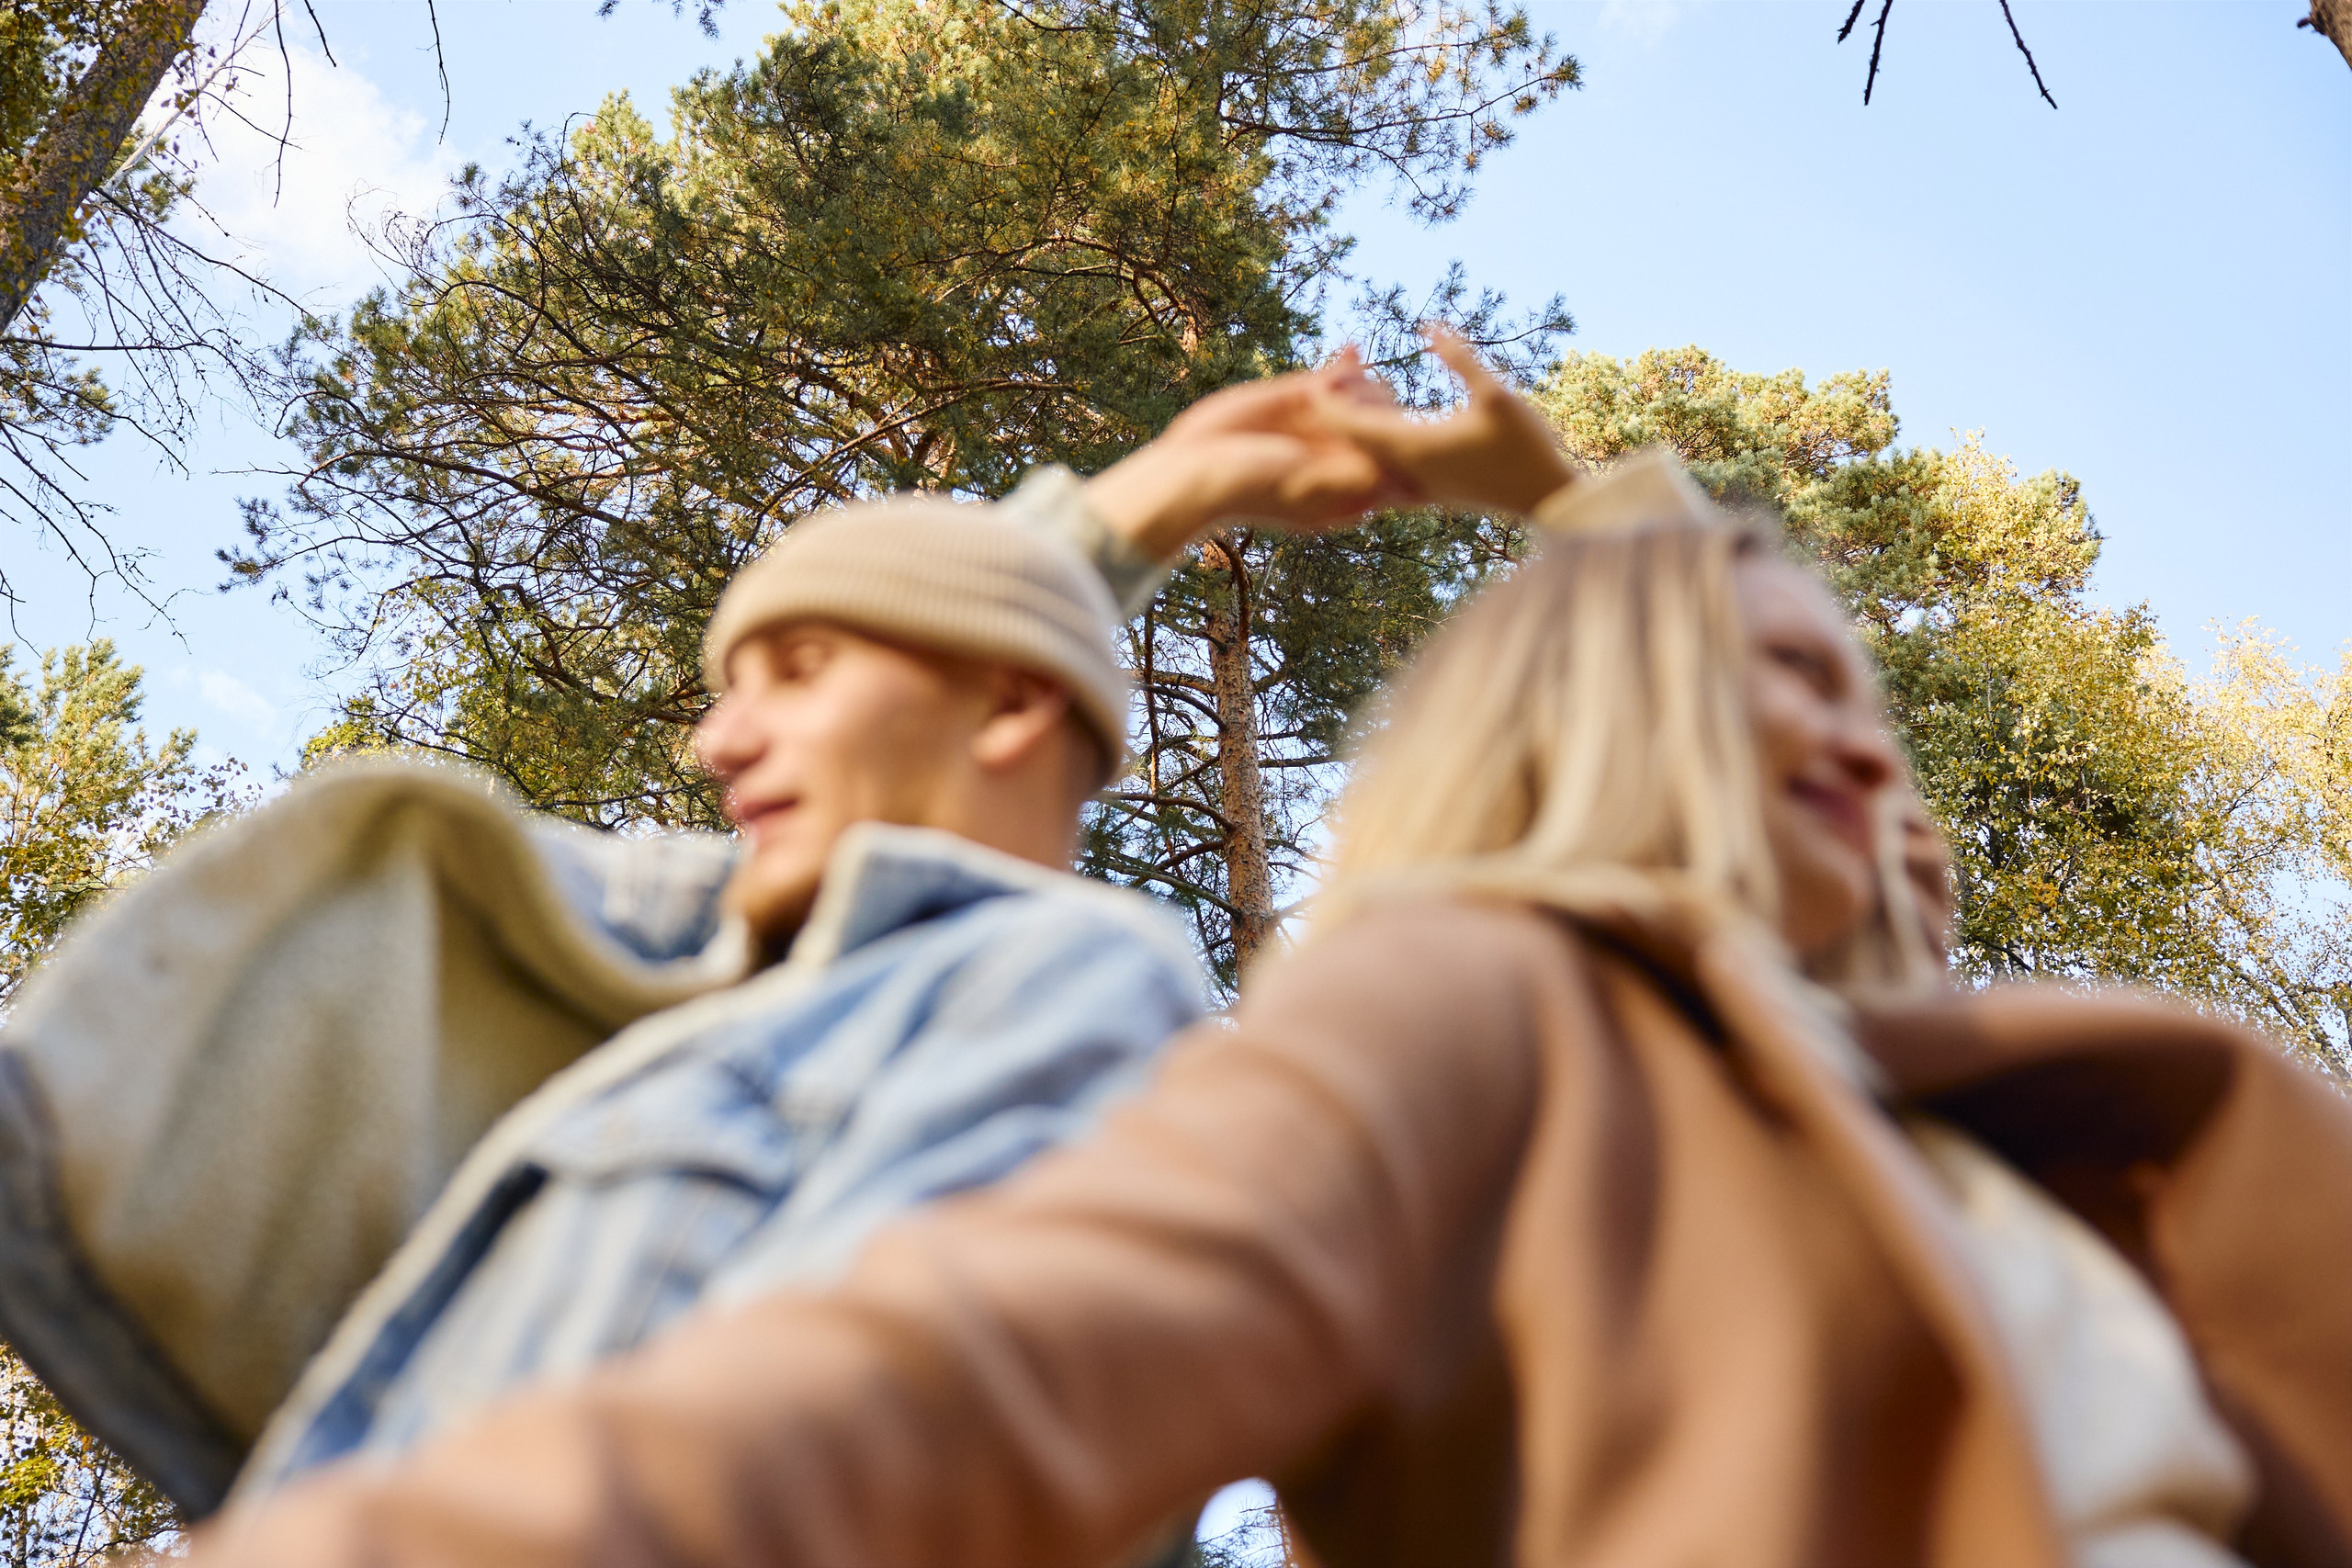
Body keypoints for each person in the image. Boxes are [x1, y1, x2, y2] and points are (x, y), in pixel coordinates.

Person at [181, 337, 2352, 1568]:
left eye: (1884, 737)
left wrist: (1587, 507)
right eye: (1792, 694)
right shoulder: (1487, 1021)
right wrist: (1136, 508)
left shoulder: (2069, 1127)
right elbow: (990, 1361)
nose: (1872, 768)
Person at [0, 357, 1415, 1517]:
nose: (714, 742)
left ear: (1006, 709)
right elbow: (965, 659)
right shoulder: (714, 994)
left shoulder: (1075, 981)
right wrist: (1153, 499)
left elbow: (868, 1432)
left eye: (795, 674)